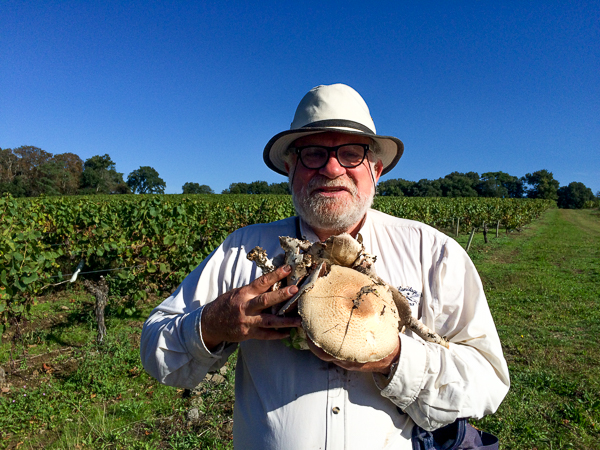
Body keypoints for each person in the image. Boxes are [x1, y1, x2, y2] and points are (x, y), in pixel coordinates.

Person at [140, 83, 510, 449]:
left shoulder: (432, 252)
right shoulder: (242, 249)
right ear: (289, 169)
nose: (332, 167)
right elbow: (156, 350)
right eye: (313, 154)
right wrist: (213, 323)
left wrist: (393, 358)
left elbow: (488, 380)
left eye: (351, 153)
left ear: (376, 170)